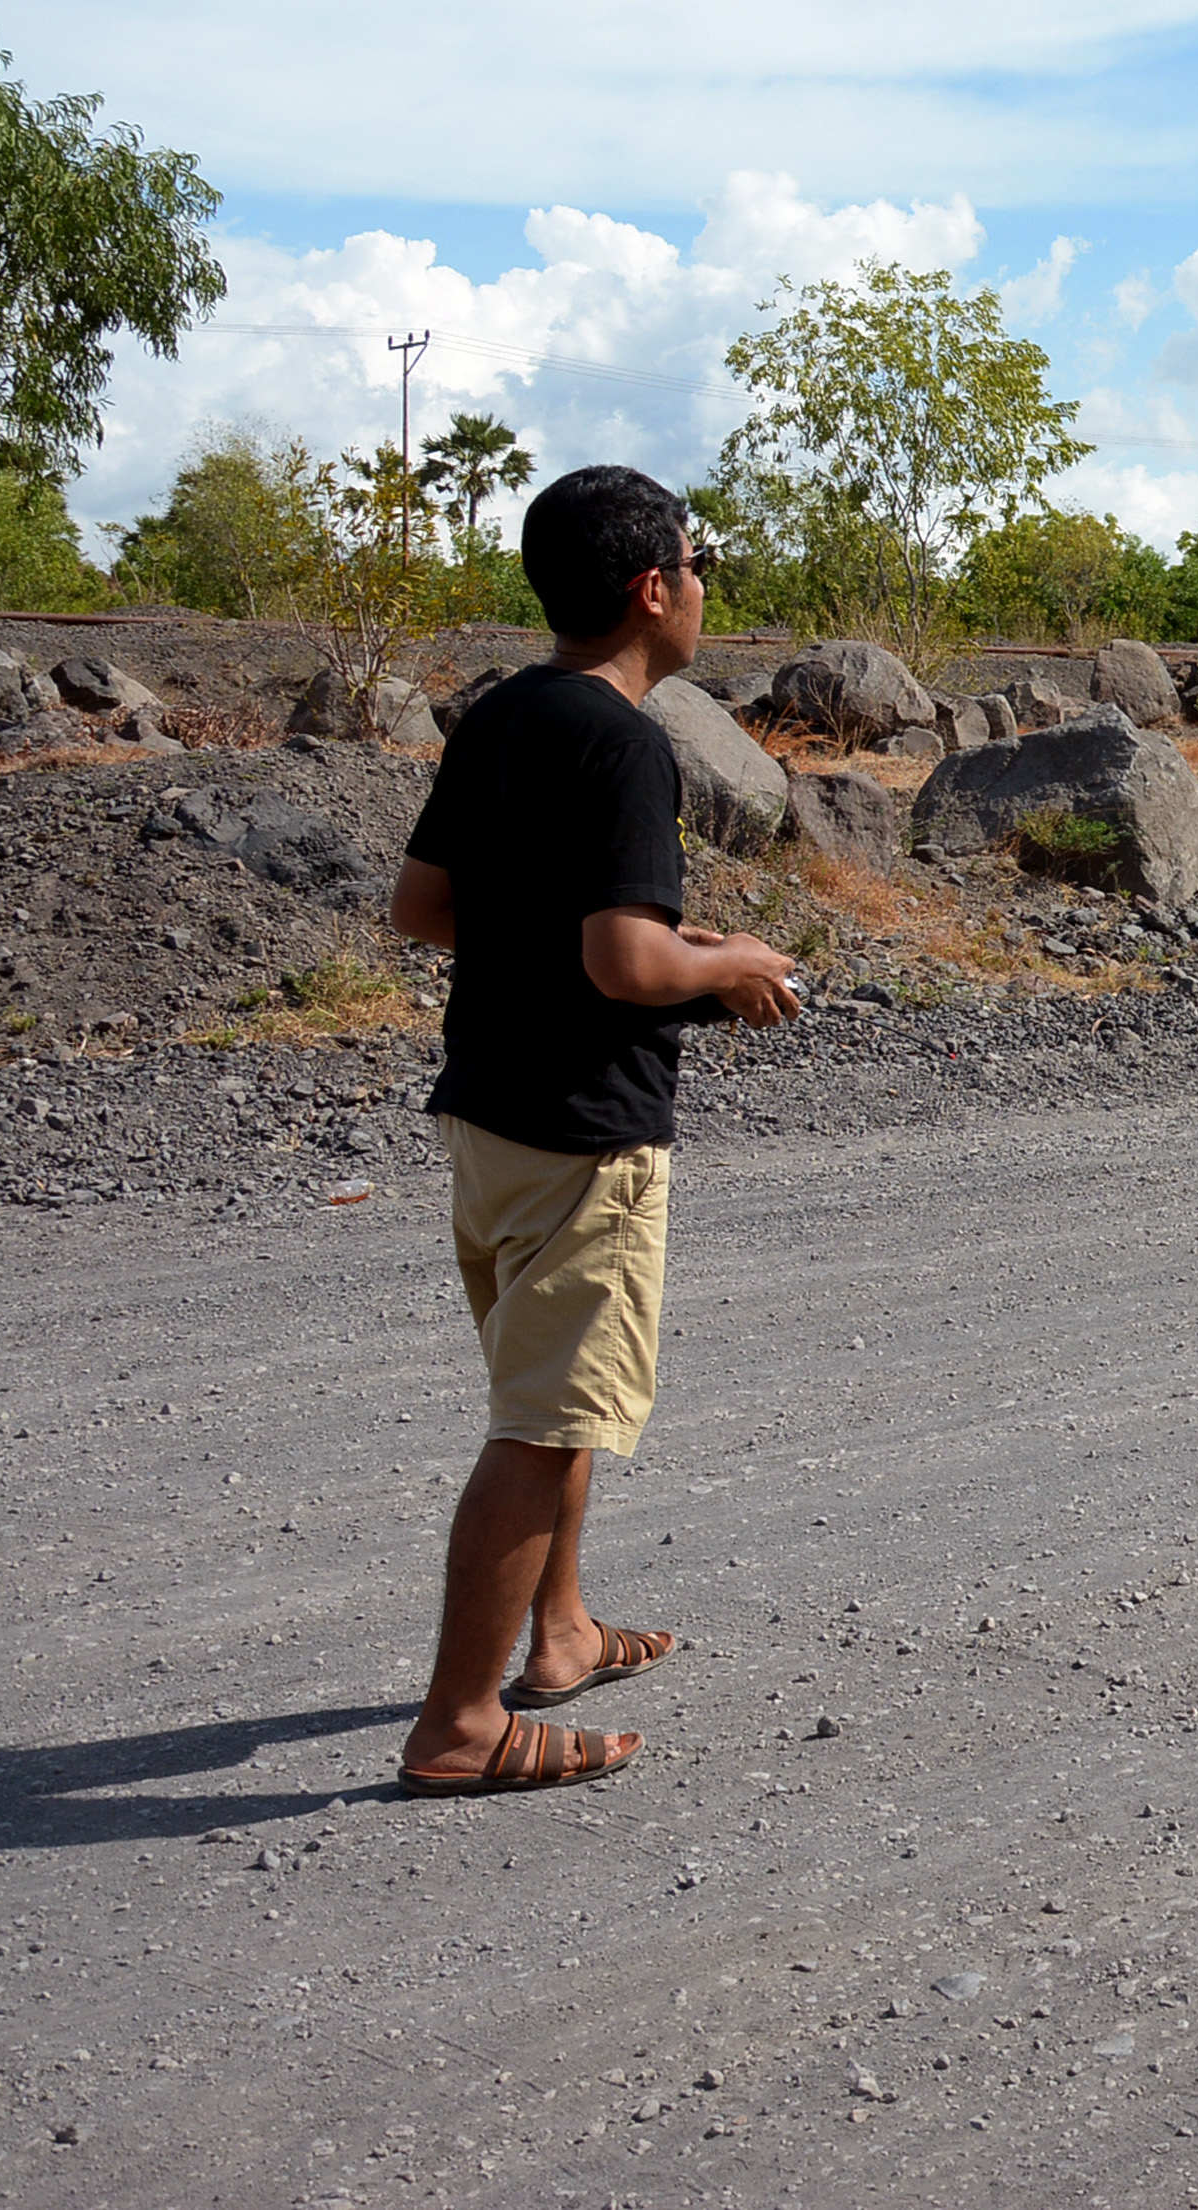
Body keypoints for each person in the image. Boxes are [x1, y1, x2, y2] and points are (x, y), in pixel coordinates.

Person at [388, 465, 803, 1796]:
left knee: (550, 1402)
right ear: (652, 588)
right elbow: (623, 962)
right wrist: (725, 960)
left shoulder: (504, 713)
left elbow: (425, 903)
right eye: (699, 563)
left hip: (491, 1118)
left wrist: (619, 947)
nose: (703, 587)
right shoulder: (627, 738)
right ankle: (460, 1723)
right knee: (550, 1422)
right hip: (584, 1131)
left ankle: (558, 1631)